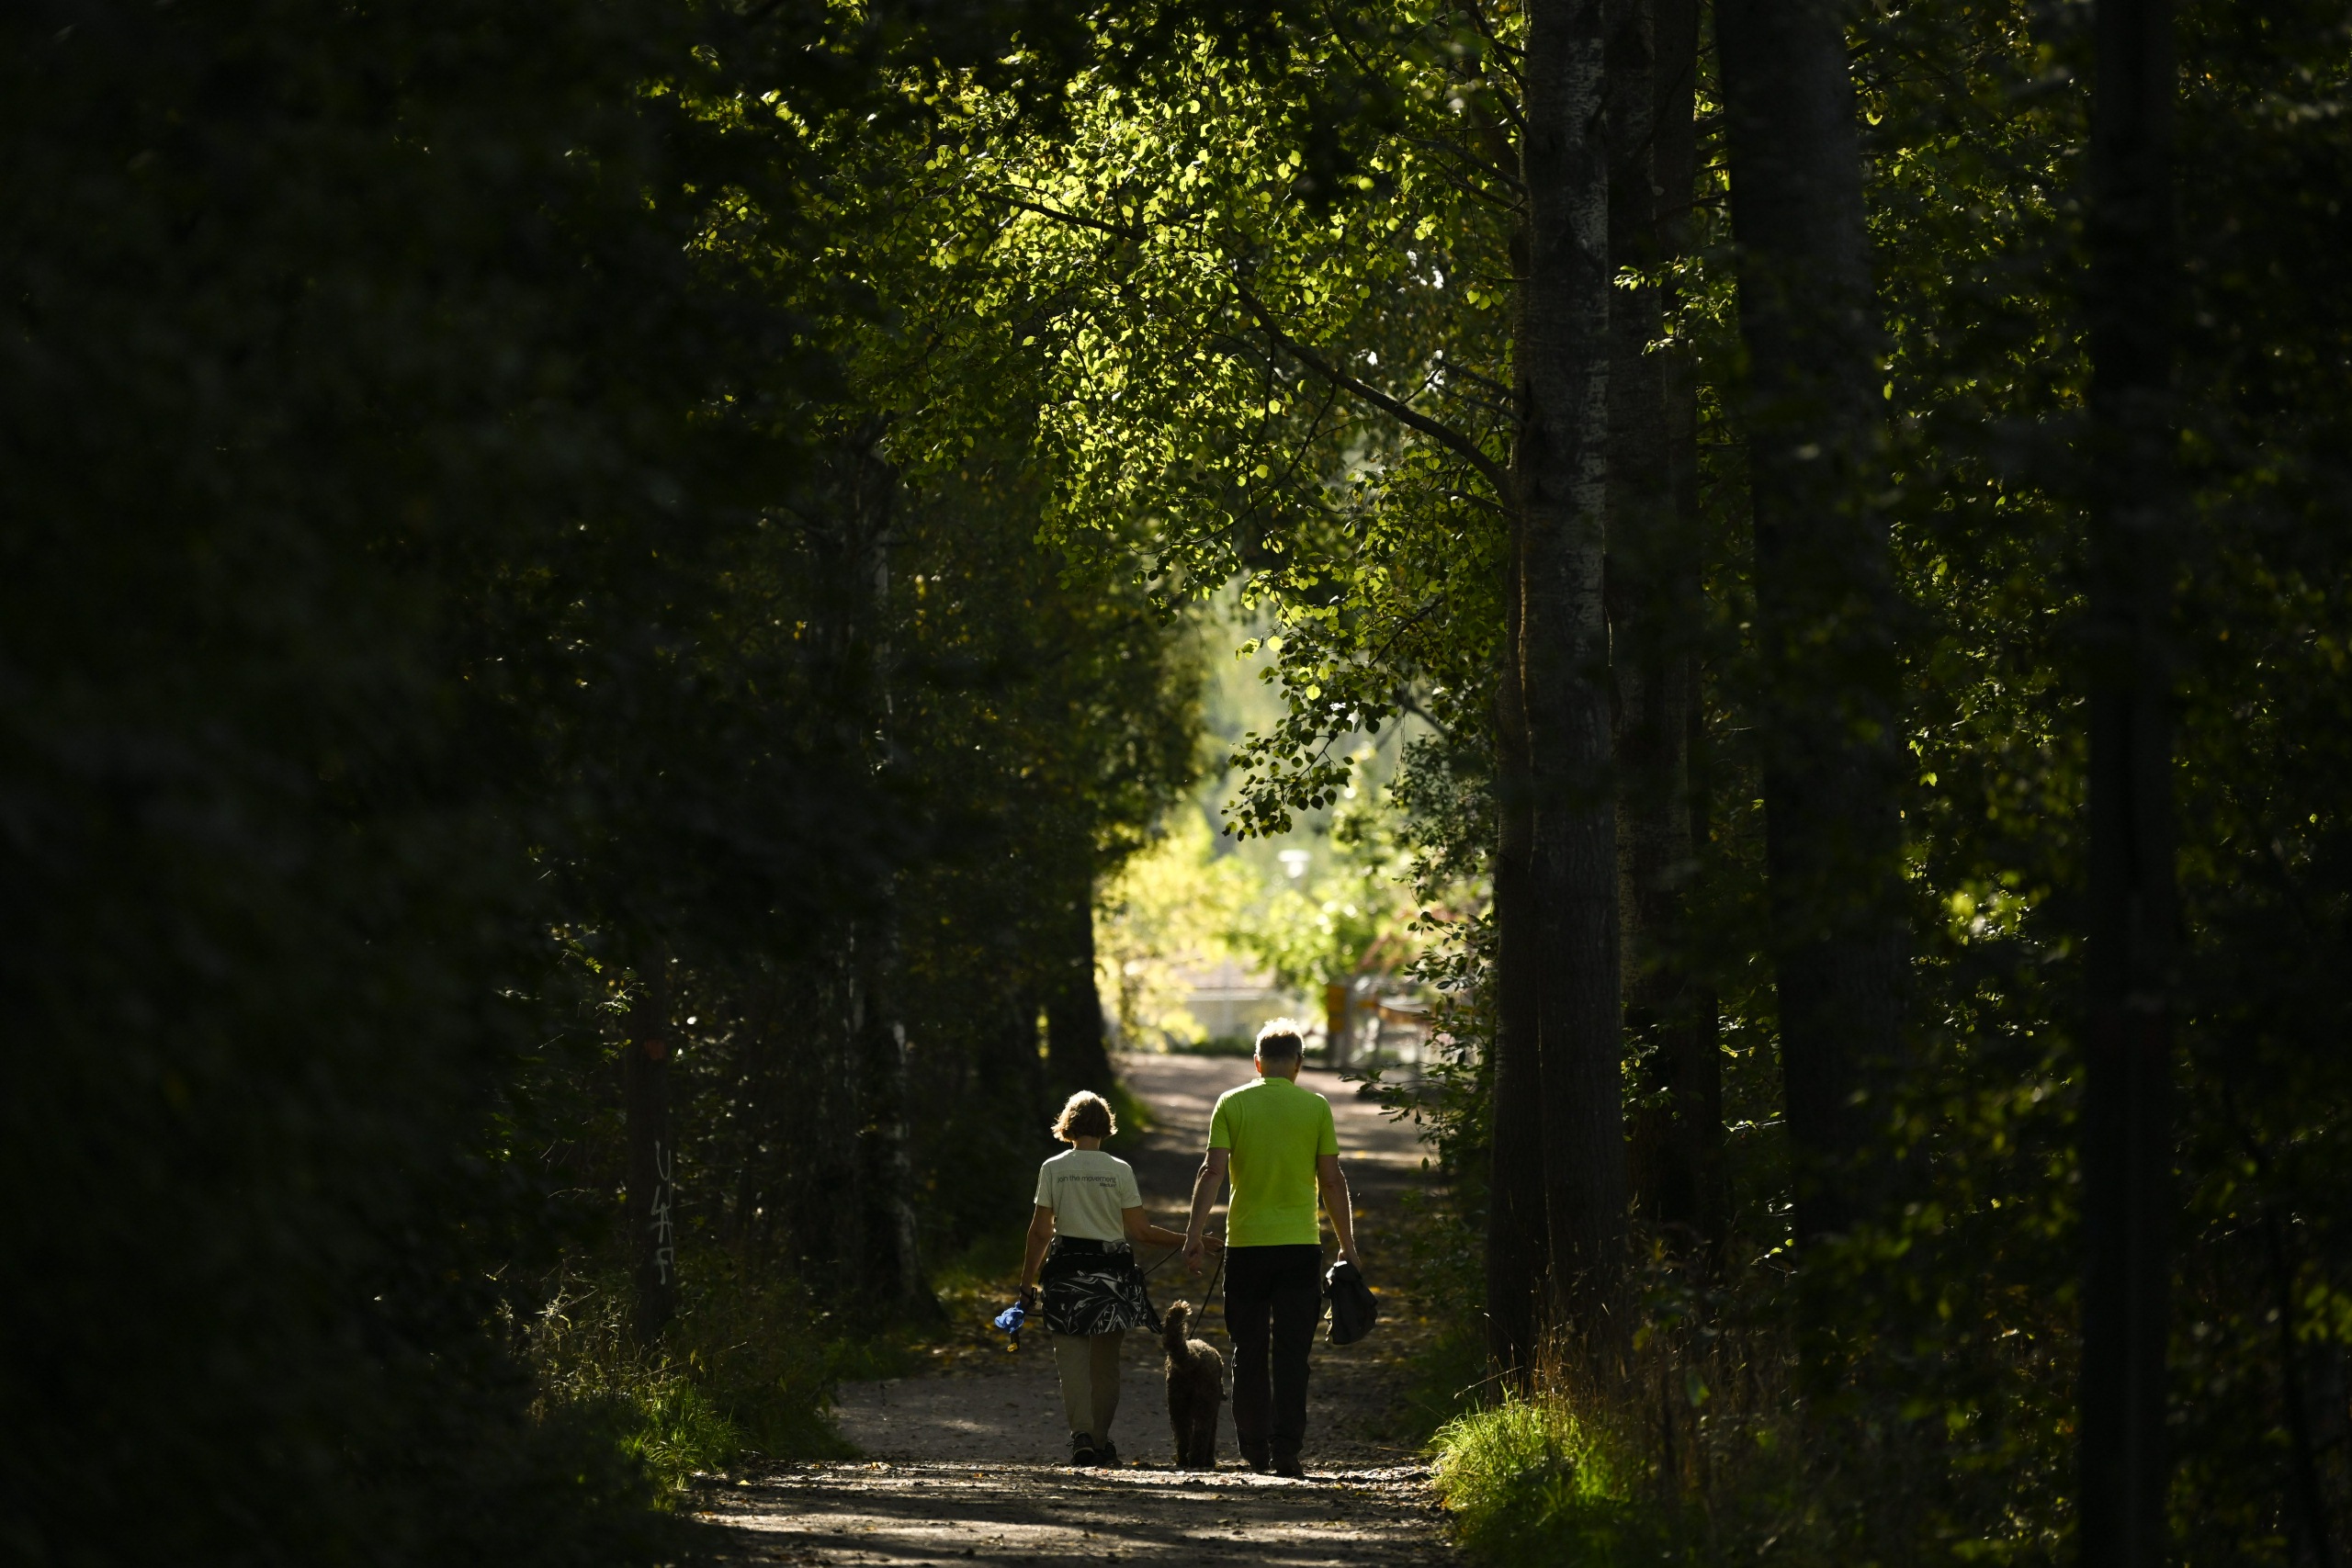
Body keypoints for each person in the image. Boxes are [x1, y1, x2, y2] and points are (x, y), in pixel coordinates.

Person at [1182, 1018, 1359, 1479]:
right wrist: (1348, 1247)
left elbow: (1211, 1173)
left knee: (1249, 1348)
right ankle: (1287, 1451)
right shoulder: (1316, 1107)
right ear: (1299, 1064)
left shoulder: (1232, 1104)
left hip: (1247, 1246)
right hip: (1300, 1246)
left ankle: (1254, 1449)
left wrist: (1193, 1236)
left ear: (1257, 1062)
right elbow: (1333, 1180)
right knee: (1292, 1353)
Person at [1018, 1089, 1189, 1468]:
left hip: (1064, 1278)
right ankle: (1100, 1441)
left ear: (1068, 1126)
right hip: (1112, 1280)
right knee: (1106, 1366)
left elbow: (1039, 1232)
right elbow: (1141, 1232)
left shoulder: (1053, 1168)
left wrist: (1027, 1282)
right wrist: (1190, 1240)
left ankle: (1080, 1435)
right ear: (1106, 1128)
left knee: (1072, 1363)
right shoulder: (1120, 1170)